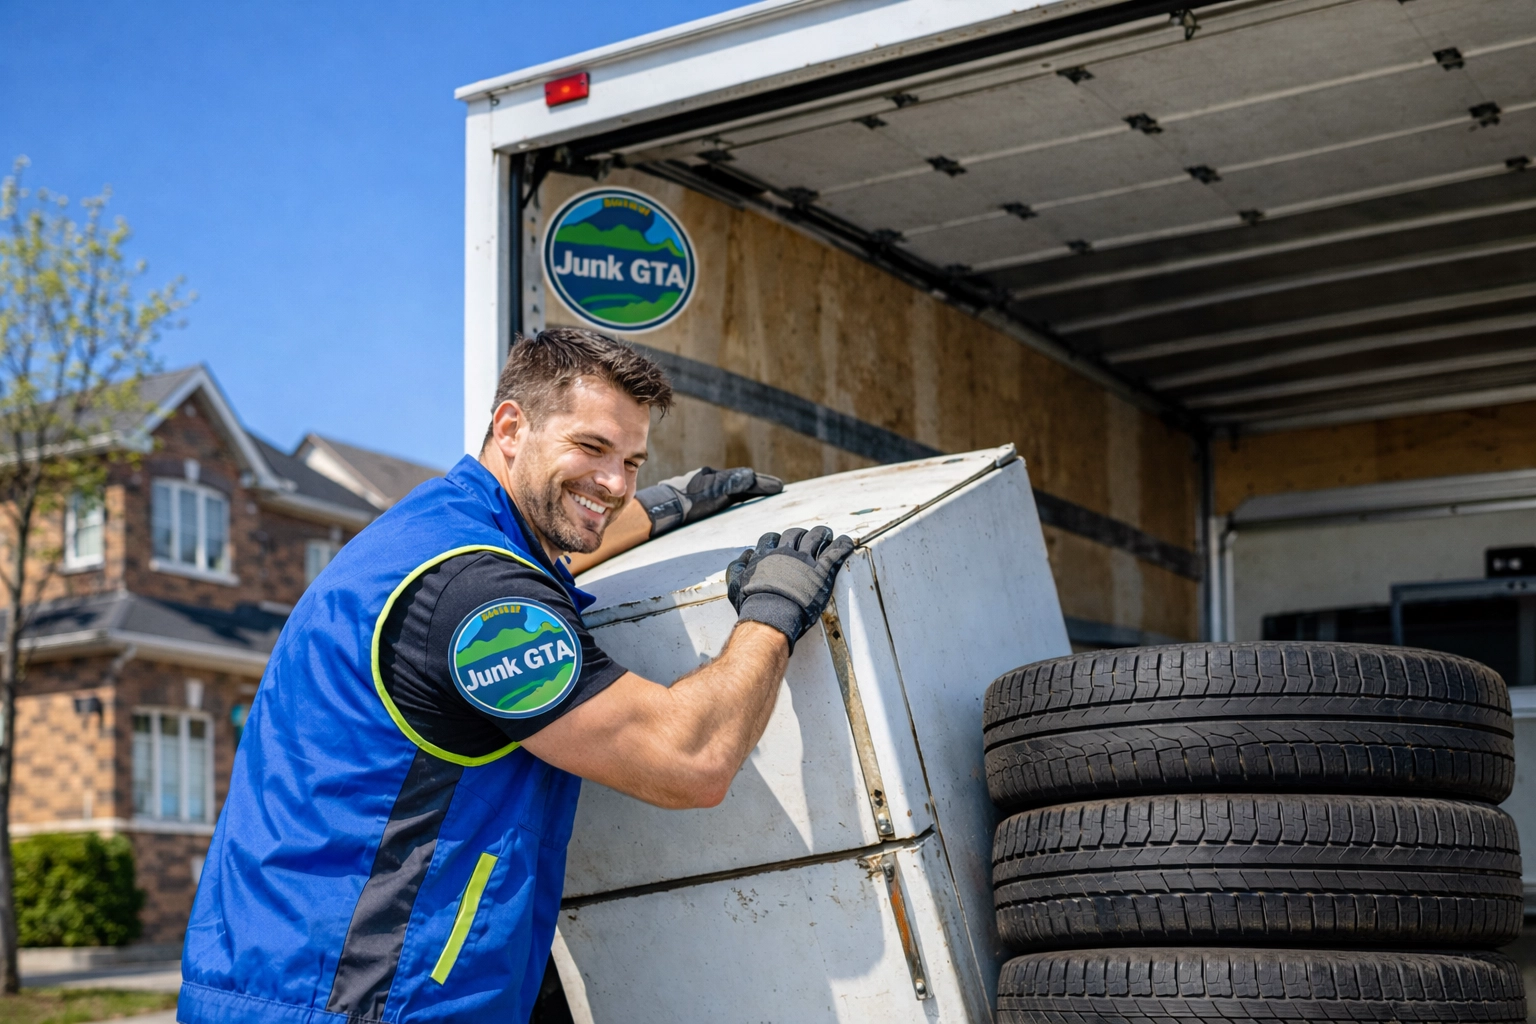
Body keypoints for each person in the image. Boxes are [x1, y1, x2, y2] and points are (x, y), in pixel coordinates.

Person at [178, 328, 855, 1024]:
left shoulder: (435, 532)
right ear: (510, 425)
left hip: (283, 981)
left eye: (632, 461)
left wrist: (662, 509)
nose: (616, 483)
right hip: (353, 1001)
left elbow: (542, 559)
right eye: (592, 449)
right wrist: (773, 613)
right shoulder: (475, 593)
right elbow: (691, 758)